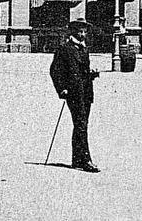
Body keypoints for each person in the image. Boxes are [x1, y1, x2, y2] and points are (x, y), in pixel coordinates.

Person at [49, 20, 100, 173]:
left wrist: (91, 73)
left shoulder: (84, 49)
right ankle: (85, 160)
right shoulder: (64, 49)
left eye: (85, 32)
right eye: (80, 32)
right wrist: (62, 89)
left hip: (86, 92)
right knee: (81, 124)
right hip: (73, 92)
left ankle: (77, 159)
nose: (83, 34)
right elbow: (54, 70)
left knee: (81, 125)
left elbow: (82, 69)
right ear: (73, 32)